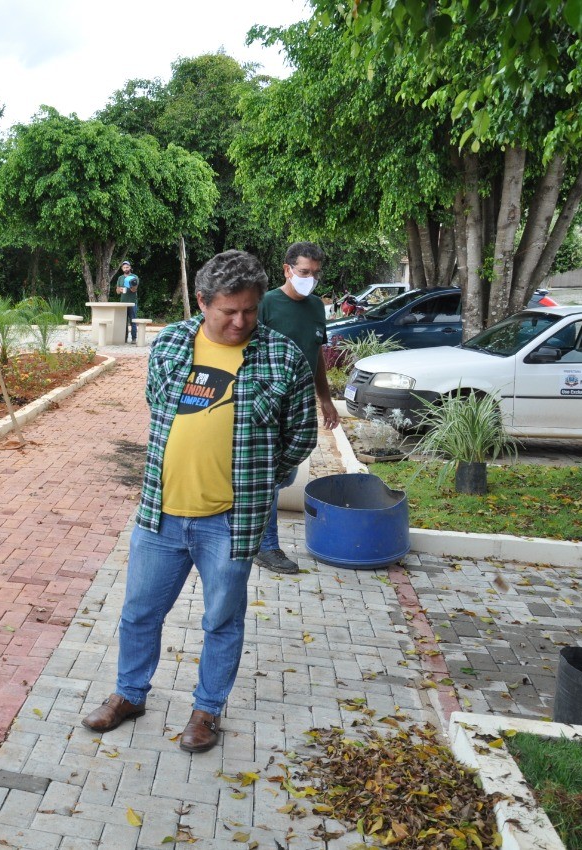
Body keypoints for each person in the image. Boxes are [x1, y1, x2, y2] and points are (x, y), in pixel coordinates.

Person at [81, 250, 316, 753]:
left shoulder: (282, 356)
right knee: (139, 613)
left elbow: (300, 436)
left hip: (230, 522)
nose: (240, 322)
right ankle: (130, 694)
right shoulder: (169, 343)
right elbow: (156, 404)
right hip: (160, 513)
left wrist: (253, 477)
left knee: (221, 621)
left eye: (250, 311)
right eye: (228, 311)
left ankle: (206, 711)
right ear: (203, 302)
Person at [255, 242, 341, 575]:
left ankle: (245, 528)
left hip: (300, 407)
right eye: (304, 272)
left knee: (284, 475)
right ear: (287, 269)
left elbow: (316, 353)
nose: (310, 279)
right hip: (267, 405)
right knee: (268, 477)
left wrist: (325, 398)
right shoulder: (265, 305)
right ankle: (266, 546)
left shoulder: (317, 307)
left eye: (316, 273)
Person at [116, 261, 140, 344]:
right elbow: (117, 291)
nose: (126, 269)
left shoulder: (134, 277)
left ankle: (134, 339)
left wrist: (131, 286)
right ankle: (124, 338)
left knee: (133, 321)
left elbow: (134, 290)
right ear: (122, 269)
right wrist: (120, 290)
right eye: (124, 268)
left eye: (127, 267)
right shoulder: (120, 278)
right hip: (123, 303)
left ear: (130, 267)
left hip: (132, 302)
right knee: (124, 321)